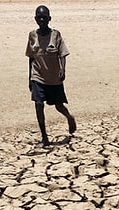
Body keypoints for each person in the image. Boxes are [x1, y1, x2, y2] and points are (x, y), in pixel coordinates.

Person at [26, 5, 76, 146]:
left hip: (54, 77)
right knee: (38, 104)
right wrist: (30, 77)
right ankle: (44, 137)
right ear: (35, 19)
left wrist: (63, 70)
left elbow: (63, 54)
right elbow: (31, 57)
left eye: (45, 17)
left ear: (49, 19)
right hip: (38, 76)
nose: (42, 20)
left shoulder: (56, 35)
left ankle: (69, 117)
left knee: (59, 106)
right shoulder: (32, 35)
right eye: (39, 17)